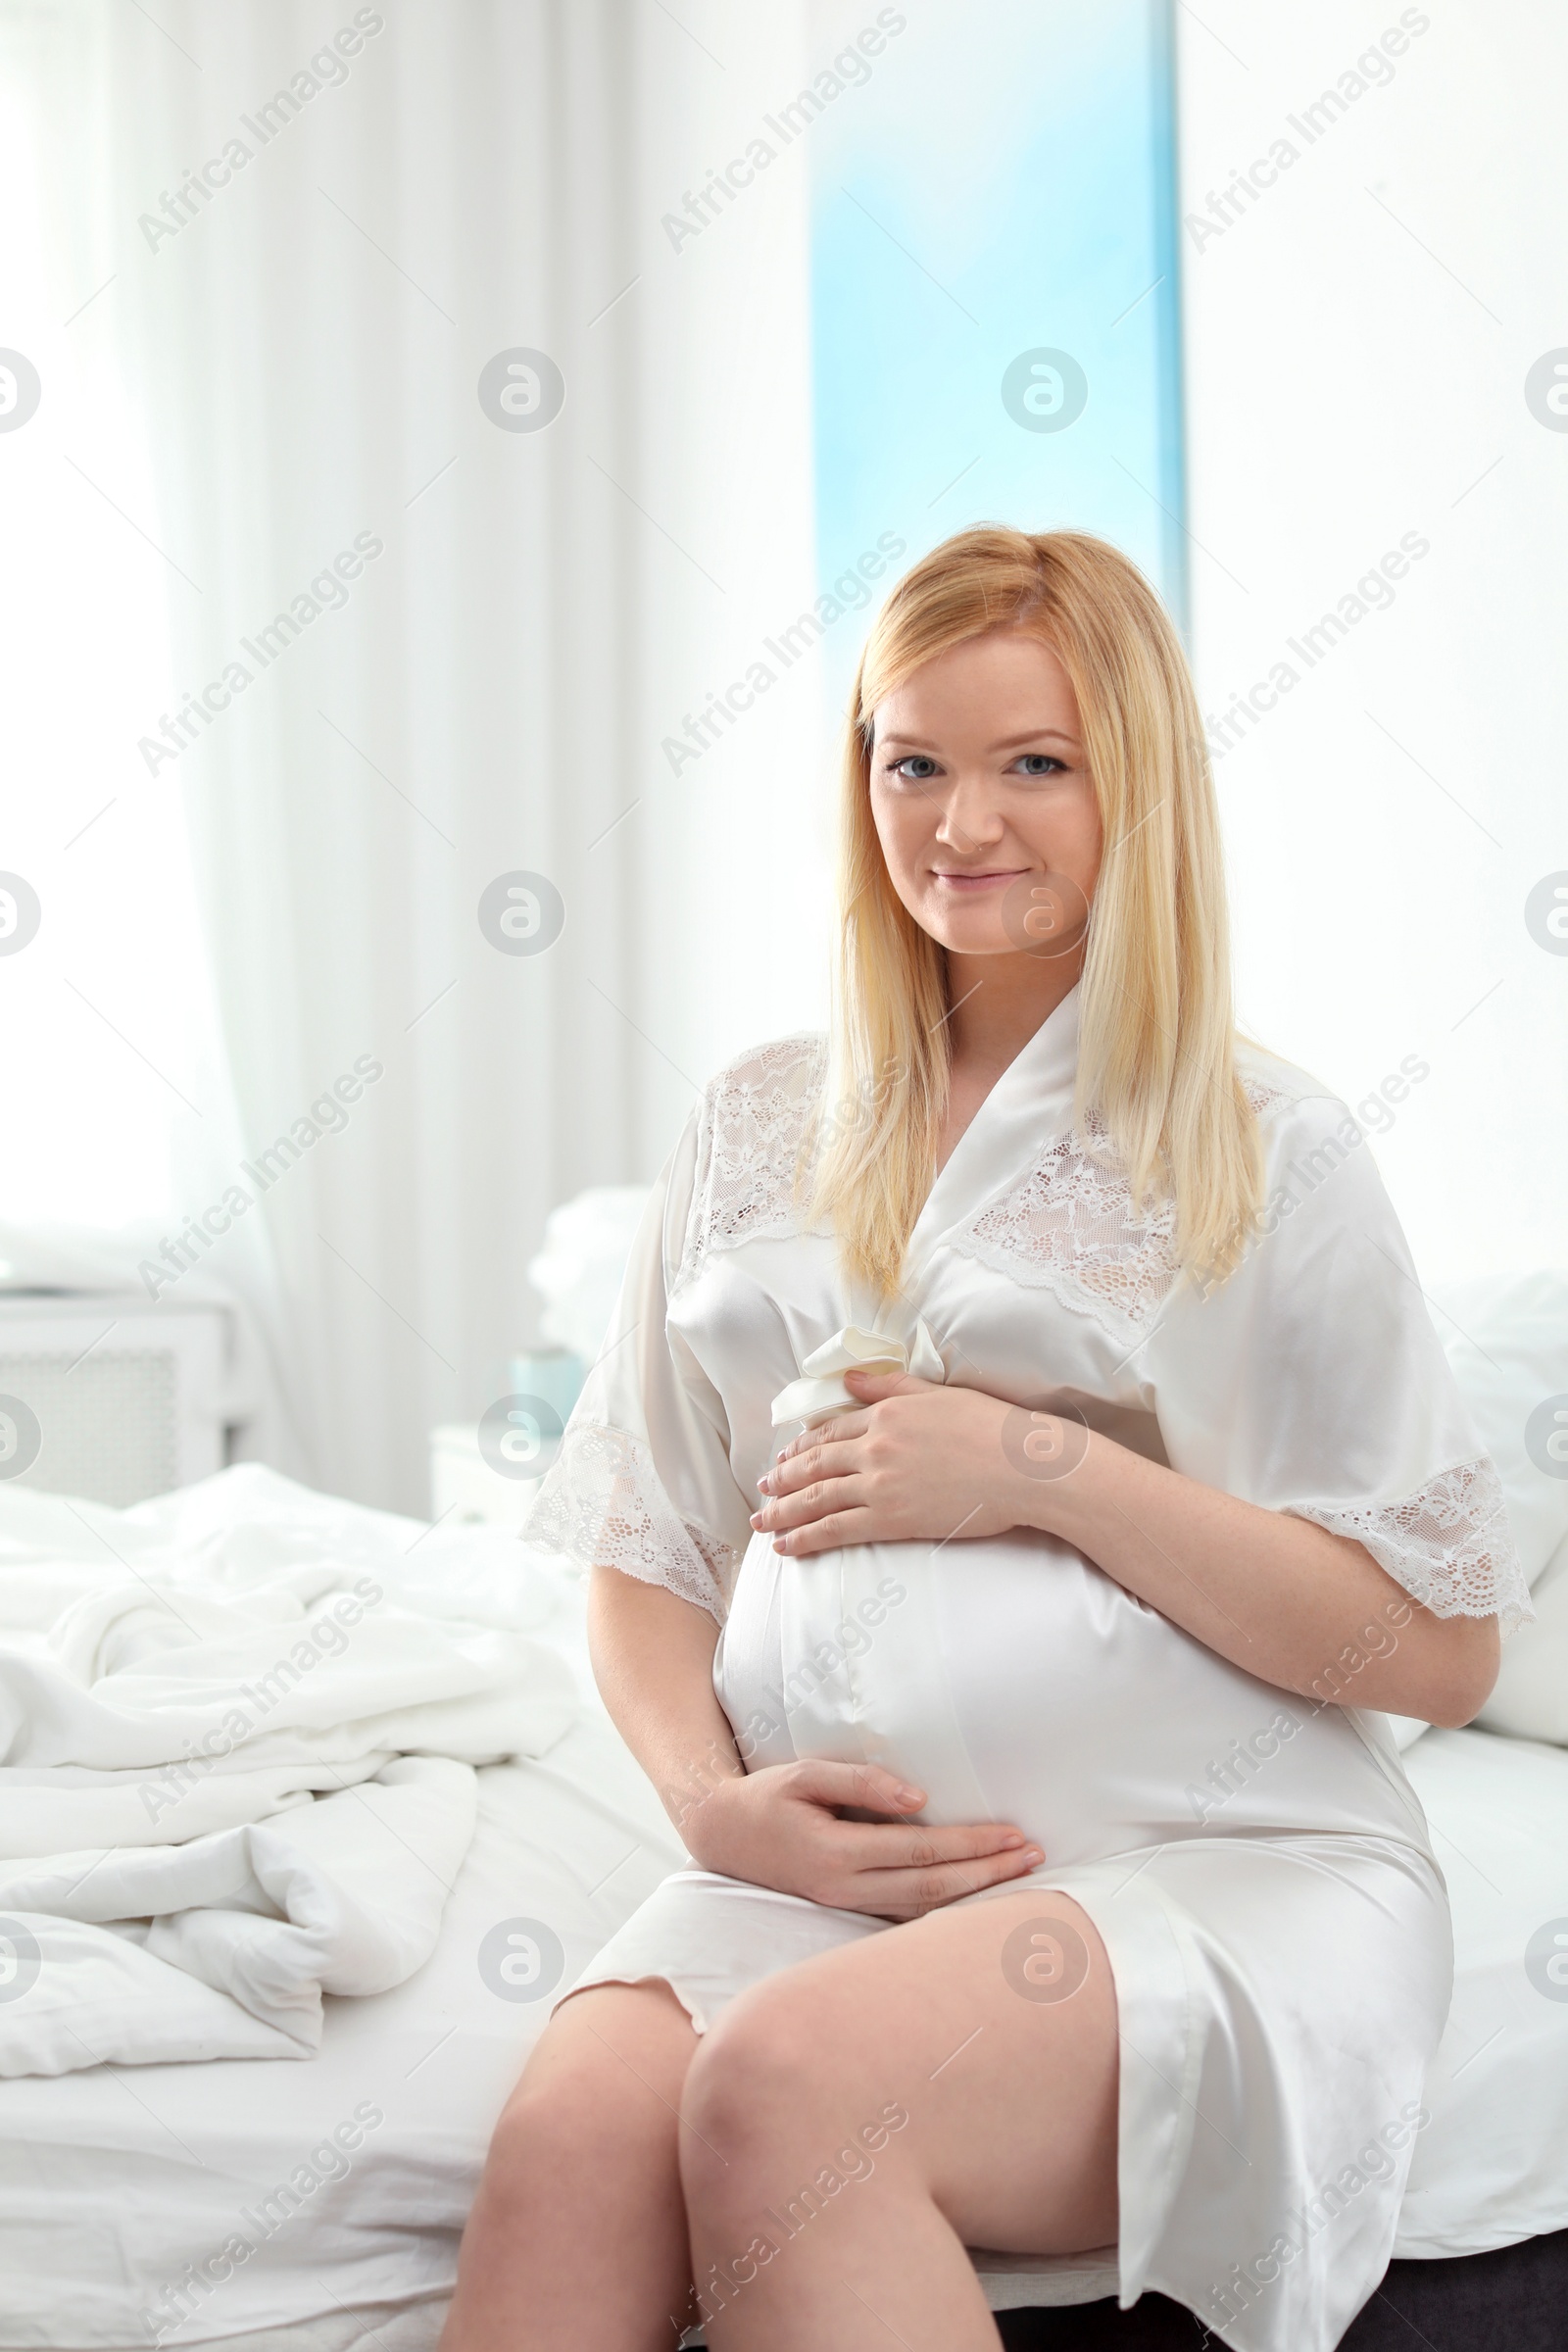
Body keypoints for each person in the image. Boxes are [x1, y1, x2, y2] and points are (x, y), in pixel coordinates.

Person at [440, 526, 1525, 2352]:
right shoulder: (753, 1118)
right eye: (911, 759)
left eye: (1036, 764)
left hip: (1212, 1863)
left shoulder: (1271, 1147)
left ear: (1137, 783)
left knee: (784, 2088)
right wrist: (716, 1815)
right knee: (569, 2137)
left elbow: (1431, 1642)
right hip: (831, 1892)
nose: (961, 823)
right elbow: (646, 1556)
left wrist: (1043, 1471)